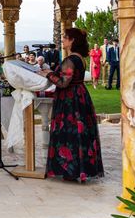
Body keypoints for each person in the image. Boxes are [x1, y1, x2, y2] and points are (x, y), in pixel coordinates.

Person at [38, 28, 103, 182]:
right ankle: (80, 170)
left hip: (70, 100)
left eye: (65, 37)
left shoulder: (70, 60)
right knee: (80, 133)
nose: (63, 39)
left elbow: (63, 83)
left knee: (69, 133)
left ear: (72, 40)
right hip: (80, 96)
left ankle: (71, 170)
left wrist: (47, 74)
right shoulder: (80, 58)